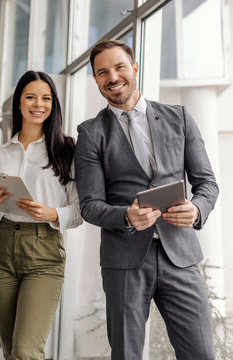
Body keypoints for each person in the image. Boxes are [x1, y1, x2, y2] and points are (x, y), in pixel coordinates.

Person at [74, 40, 218, 360]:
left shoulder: (178, 117)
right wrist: (126, 216)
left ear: (135, 68)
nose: (112, 77)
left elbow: (207, 183)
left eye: (119, 67)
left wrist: (196, 210)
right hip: (124, 261)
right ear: (96, 79)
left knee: (201, 353)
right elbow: (90, 205)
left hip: (180, 256)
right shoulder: (90, 133)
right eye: (102, 72)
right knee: (126, 354)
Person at [0, 70, 82, 359]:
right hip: (1, 249)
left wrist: (52, 213)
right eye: (31, 97)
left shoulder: (67, 149)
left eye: (46, 98)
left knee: (26, 351)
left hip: (44, 252)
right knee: (11, 349)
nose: (39, 104)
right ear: (19, 103)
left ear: (53, 105)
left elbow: (79, 209)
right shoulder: (1, 153)